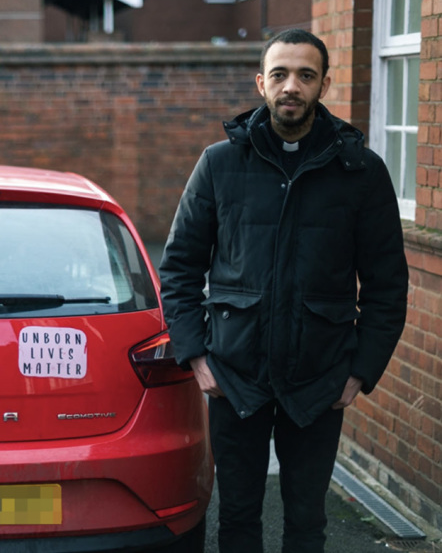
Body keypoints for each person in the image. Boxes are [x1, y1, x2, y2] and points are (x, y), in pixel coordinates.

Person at [158, 29, 409, 553]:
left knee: (305, 521)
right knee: (239, 518)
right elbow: (179, 267)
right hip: (234, 377)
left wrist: (359, 373)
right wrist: (197, 357)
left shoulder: (360, 171)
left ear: (324, 84)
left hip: (320, 378)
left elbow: (387, 285)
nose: (291, 86)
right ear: (261, 82)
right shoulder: (219, 164)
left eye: (305, 75)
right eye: (280, 74)